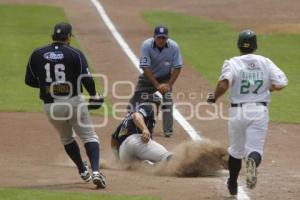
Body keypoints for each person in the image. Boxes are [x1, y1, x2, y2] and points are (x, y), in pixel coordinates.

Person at [25, 22, 106, 189]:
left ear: (53, 36)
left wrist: (48, 86)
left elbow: (30, 80)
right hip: (74, 101)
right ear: (68, 37)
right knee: (90, 137)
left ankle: (83, 171)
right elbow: (86, 78)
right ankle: (96, 172)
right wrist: (93, 95)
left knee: (67, 138)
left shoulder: (37, 53)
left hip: (51, 106)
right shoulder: (75, 53)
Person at [207, 29, 288, 195]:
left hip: (238, 112)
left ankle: (233, 183)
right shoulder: (265, 62)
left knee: (236, 151)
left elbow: (223, 84)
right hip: (259, 110)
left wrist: (213, 97)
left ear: (239, 45)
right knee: (255, 150)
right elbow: (281, 82)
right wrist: (267, 89)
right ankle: (252, 161)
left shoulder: (232, 62)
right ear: (255, 46)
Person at [128, 25, 183, 137]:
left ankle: (168, 130)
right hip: (148, 77)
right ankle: (129, 123)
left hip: (165, 78)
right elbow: (145, 67)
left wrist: (169, 85)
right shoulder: (146, 45)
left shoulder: (174, 47)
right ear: (154, 37)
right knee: (135, 100)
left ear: (167, 38)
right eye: (159, 37)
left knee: (167, 100)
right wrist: (157, 85)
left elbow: (177, 67)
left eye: (164, 38)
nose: (161, 40)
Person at [112, 97, 173, 163]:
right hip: (136, 142)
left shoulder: (127, 118)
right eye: (159, 107)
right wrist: (144, 129)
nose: (158, 111)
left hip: (124, 153)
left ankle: (148, 164)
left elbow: (114, 140)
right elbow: (137, 116)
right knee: (168, 157)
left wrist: (117, 158)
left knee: (149, 163)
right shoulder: (148, 106)